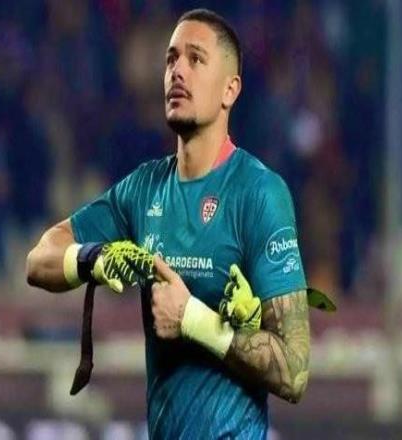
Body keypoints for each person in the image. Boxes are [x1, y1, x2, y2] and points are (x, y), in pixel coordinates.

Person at [26, 9, 310, 439]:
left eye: (196, 59)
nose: (178, 71)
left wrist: (192, 319)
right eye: (171, 59)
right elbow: (39, 259)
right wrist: (95, 259)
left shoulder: (259, 194)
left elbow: (295, 370)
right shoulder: (144, 189)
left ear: (230, 89)